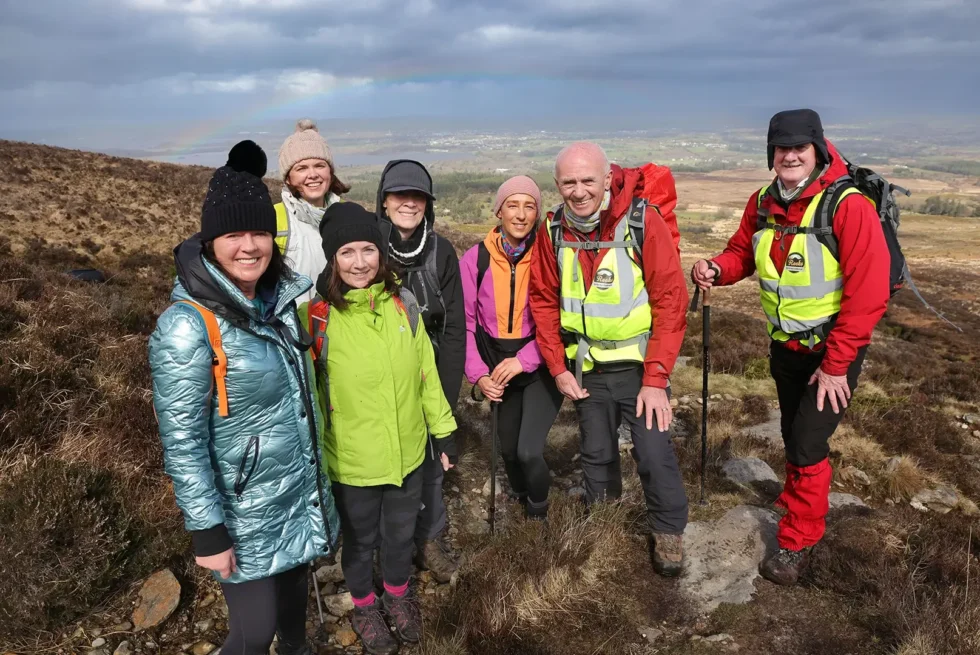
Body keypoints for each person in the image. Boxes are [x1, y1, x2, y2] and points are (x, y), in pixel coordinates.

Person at [149, 158, 340, 655]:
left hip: (294, 495)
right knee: (254, 632)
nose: (249, 246)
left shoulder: (279, 305)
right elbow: (183, 442)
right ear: (209, 241)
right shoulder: (188, 326)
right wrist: (208, 531)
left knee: (294, 612)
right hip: (240, 512)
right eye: (233, 234)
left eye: (259, 232)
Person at [691, 109, 889, 585]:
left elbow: (869, 291)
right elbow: (744, 252)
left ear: (818, 150)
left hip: (832, 350)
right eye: (782, 149)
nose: (791, 155)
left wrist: (838, 365)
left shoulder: (848, 206)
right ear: (771, 155)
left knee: (806, 441)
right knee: (790, 430)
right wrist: (718, 268)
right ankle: (798, 496)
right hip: (785, 344)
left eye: (800, 147)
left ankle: (800, 538)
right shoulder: (762, 202)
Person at [297, 202, 458, 655]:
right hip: (351, 462)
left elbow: (426, 373)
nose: (360, 262)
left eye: (368, 249)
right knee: (360, 541)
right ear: (332, 259)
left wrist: (443, 431)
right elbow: (306, 399)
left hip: (408, 454)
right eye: (347, 252)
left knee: (401, 535)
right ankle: (366, 605)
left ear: (381, 254)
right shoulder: (317, 319)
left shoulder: (404, 305)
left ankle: (398, 593)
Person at [529, 142, 689, 577]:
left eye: (587, 181)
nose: (578, 191)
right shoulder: (553, 229)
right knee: (596, 452)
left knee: (653, 454)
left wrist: (656, 379)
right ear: (557, 185)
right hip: (587, 369)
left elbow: (671, 300)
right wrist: (558, 368)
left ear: (606, 179)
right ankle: (604, 522)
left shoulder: (641, 221)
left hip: (640, 369)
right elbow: (542, 299)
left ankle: (669, 531)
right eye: (568, 182)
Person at [374, 160, 465, 582]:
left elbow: (453, 330)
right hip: (374, 373)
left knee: (430, 458)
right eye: (399, 195)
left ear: (427, 204)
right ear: (384, 201)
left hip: (426, 371)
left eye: (418, 196)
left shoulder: (441, 251)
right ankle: (381, 544)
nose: (408, 203)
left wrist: (444, 398)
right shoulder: (367, 244)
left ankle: (429, 539)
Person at [460, 176, 563, 521]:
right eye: (512, 205)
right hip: (497, 369)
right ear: (499, 211)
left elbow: (562, 321)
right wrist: (479, 377)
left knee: (528, 451)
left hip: (541, 366)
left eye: (529, 205)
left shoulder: (550, 256)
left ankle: (538, 515)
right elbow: (466, 324)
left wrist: (525, 359)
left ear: (537, 213)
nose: (520, 214)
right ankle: (521, 502)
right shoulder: (476, 259)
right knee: (508, 451)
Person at [276, 119, 350, 303]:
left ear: (330, 173)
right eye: (301, 168)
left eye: (319, 165)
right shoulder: (273, 220)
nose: (313, 174)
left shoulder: (349, 216)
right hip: (293, 328)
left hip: (340, 326)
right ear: (288, 179)